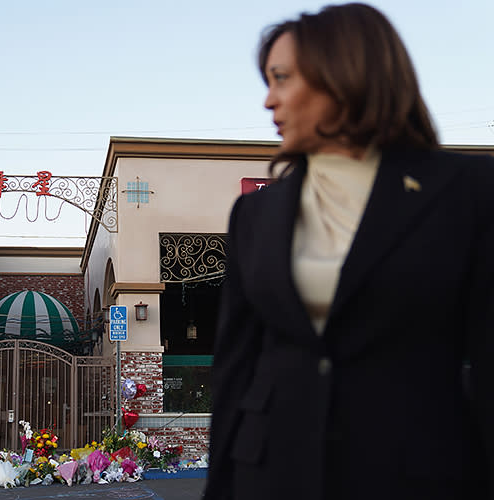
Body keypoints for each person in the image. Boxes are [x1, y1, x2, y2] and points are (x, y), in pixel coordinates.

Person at [204, 4, 494, 500]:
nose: (268, 101)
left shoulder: (470, 191)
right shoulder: (255, 214)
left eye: (281, 78)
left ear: (344, 75)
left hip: (417, 476)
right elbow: (235, 369)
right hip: (269, 475)